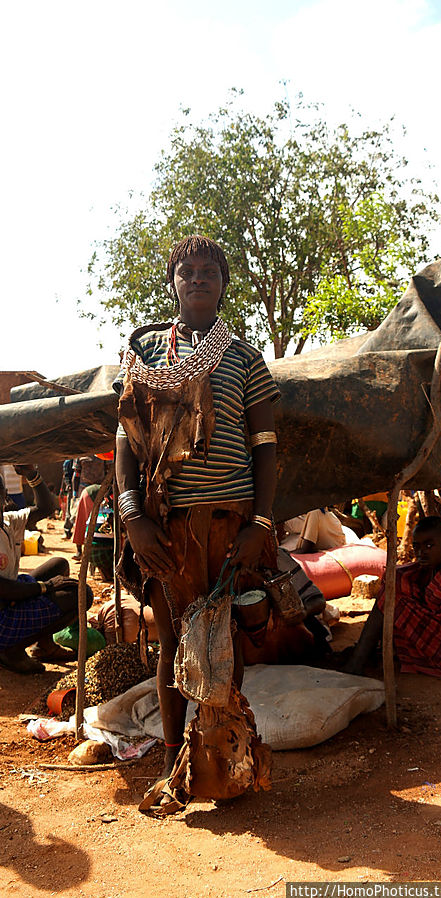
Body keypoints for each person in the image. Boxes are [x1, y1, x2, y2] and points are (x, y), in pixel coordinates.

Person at [114, 235, 280, 807]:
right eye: (187, 270)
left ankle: (226, 767)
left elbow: (266, 445)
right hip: (166, 527)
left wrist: (260, 523)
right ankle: (171, 761)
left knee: (223, 641)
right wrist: (133, 515)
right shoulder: (146, 354)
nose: (198, 277)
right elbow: (126, 441)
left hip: (230, 526)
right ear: (173, 282)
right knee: (171, 641)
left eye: (210, 270)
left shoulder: (245, 359)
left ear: (223, 283)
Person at [342, 516, 441, 678]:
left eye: (429, 546)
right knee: (394, 586)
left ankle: (358, 661)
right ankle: (367, 652)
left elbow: (422, 596)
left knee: (390, 599)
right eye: (417, 546)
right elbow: (402, 574)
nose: (422, 553)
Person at [0, 466, 92, 674]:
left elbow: (46, 508)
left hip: (9, 597)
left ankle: (44, 645)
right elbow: (3, 588)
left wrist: (32, 474)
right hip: (2, 614)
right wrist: (45, 587)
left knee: (59, 565)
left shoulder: (7, 521)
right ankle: (10, 650)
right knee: (81, 595)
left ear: (3, 497)